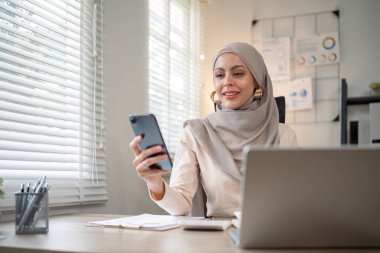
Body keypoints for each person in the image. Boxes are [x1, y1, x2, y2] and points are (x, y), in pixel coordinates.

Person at [129, 42, 297, 218]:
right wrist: (154, 182)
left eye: (238, 73)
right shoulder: (196, 133)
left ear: (257, 80)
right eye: (219, 75)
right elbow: (180, 207)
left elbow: (295, 200)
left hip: (271, 234)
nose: (227, 82)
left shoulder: (284, 135)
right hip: (216, 237)